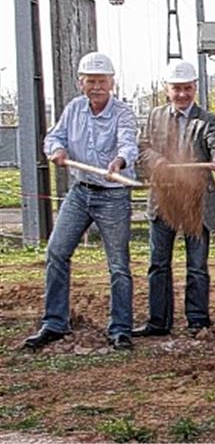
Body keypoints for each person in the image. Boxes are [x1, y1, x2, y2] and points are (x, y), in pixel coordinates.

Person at [24, 52, 139, 351]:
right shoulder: (74, 109)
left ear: (112, 82)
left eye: (102, 81)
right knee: (57, 252)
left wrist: (119, 161)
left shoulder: (123, 113)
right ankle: (54, 322)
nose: (97, 87)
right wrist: (58, 150)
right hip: (80, 191)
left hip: (113, 195)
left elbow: (128, 143)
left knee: (118, 265)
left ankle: (120, 329)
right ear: (81, 83)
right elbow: (53, 137)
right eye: (91, 81)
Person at [133, 60, 215, 338]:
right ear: (168, 90)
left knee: (197, 265)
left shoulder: (207, 119)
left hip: (196, 201)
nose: (182, 94)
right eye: (177, 89)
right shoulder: (155, 116)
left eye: (187, 89)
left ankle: (198, 320)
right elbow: (143, 148)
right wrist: (157, 160)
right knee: (158, 263)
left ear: (195, 88)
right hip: (164, 199)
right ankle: (158, 322)